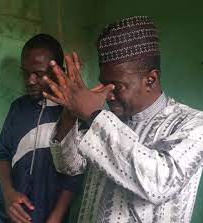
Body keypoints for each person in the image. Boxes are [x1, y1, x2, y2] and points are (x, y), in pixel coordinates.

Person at [42, 16, 203, 223]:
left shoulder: (193, 124)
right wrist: (70, 112)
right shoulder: (110, 120)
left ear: (150, 80)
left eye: (116, 86)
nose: (108, 95)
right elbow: (68, 166)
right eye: (104, 84)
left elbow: (159, 183)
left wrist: (94, 114)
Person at [0, 34, 81, 223]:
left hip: (47, 217)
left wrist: (56, 217)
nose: (30, 80)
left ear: (58, 71)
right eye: (25, 73)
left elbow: (74, 176)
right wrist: (9, 193)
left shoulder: (72, 113)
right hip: (5, 214)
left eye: (38, 73)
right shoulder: (18, 108)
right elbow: (2, 155)